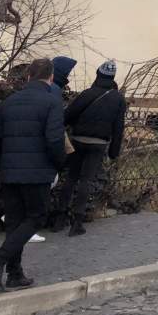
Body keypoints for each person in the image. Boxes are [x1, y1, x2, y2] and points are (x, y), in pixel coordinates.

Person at [0, 58, 65, 293]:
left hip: (10, 170)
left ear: (28, 76)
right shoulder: (52, 102)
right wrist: (59, 165)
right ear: (50, 77)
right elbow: (55, 140)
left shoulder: (10, 102)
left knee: (15, 222)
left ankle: (15, 274)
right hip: (37, 171)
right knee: (36, 218)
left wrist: (4, 163)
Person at [53, 60, 127, 236]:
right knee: (87, 180)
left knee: (71, 178)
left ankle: (59, 218)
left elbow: (68, 115)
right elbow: (118, 127)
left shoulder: (87, 93)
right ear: (113, 77)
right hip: (99, 144)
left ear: (98, 74)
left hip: (78, 140)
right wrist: (114, 151)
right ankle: (77, 222)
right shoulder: (118, 99)